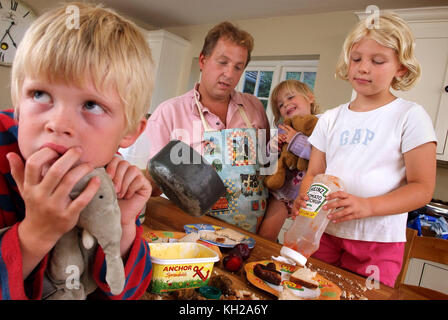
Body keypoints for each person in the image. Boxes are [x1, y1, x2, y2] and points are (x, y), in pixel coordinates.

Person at [0, 3, 154, 299]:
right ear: (19, 105)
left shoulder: (109, 175)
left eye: (91, 105)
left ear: (129, 132)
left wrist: (121, 225)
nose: (58, 124)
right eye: (40, 94)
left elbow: (130, 291)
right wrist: (35, 235)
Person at [295, 12, 437, 287]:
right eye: (356, 58)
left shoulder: (410, 116)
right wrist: (305, 197)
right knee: (308, 291)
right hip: (322, 233)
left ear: (401, 69)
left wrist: (367, 206)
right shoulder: (330, 118)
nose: (362, 67)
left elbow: (422, 188)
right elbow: (314, 173)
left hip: (378, 243)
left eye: (378, 61)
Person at [146, 21, 270, 233]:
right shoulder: (169, 113)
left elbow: (271, 172)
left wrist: (267, 236)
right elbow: (156, 187)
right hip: (192, 234)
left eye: (238, 67)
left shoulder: (254, 107)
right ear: (202, 60)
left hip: (253, 234)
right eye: (223, 62)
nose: (229, 74)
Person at [258, 80, 320, 241]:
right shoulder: (282, 129)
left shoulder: (322, 125)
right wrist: (273, 147)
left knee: (300, 240)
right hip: (282, 193)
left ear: (310, 97)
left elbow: (320, 156)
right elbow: (267, 163)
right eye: (280, 105)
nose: (286, 104)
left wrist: (295, 140)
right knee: (266, 234)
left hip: (309, 197)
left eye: (291, 97)